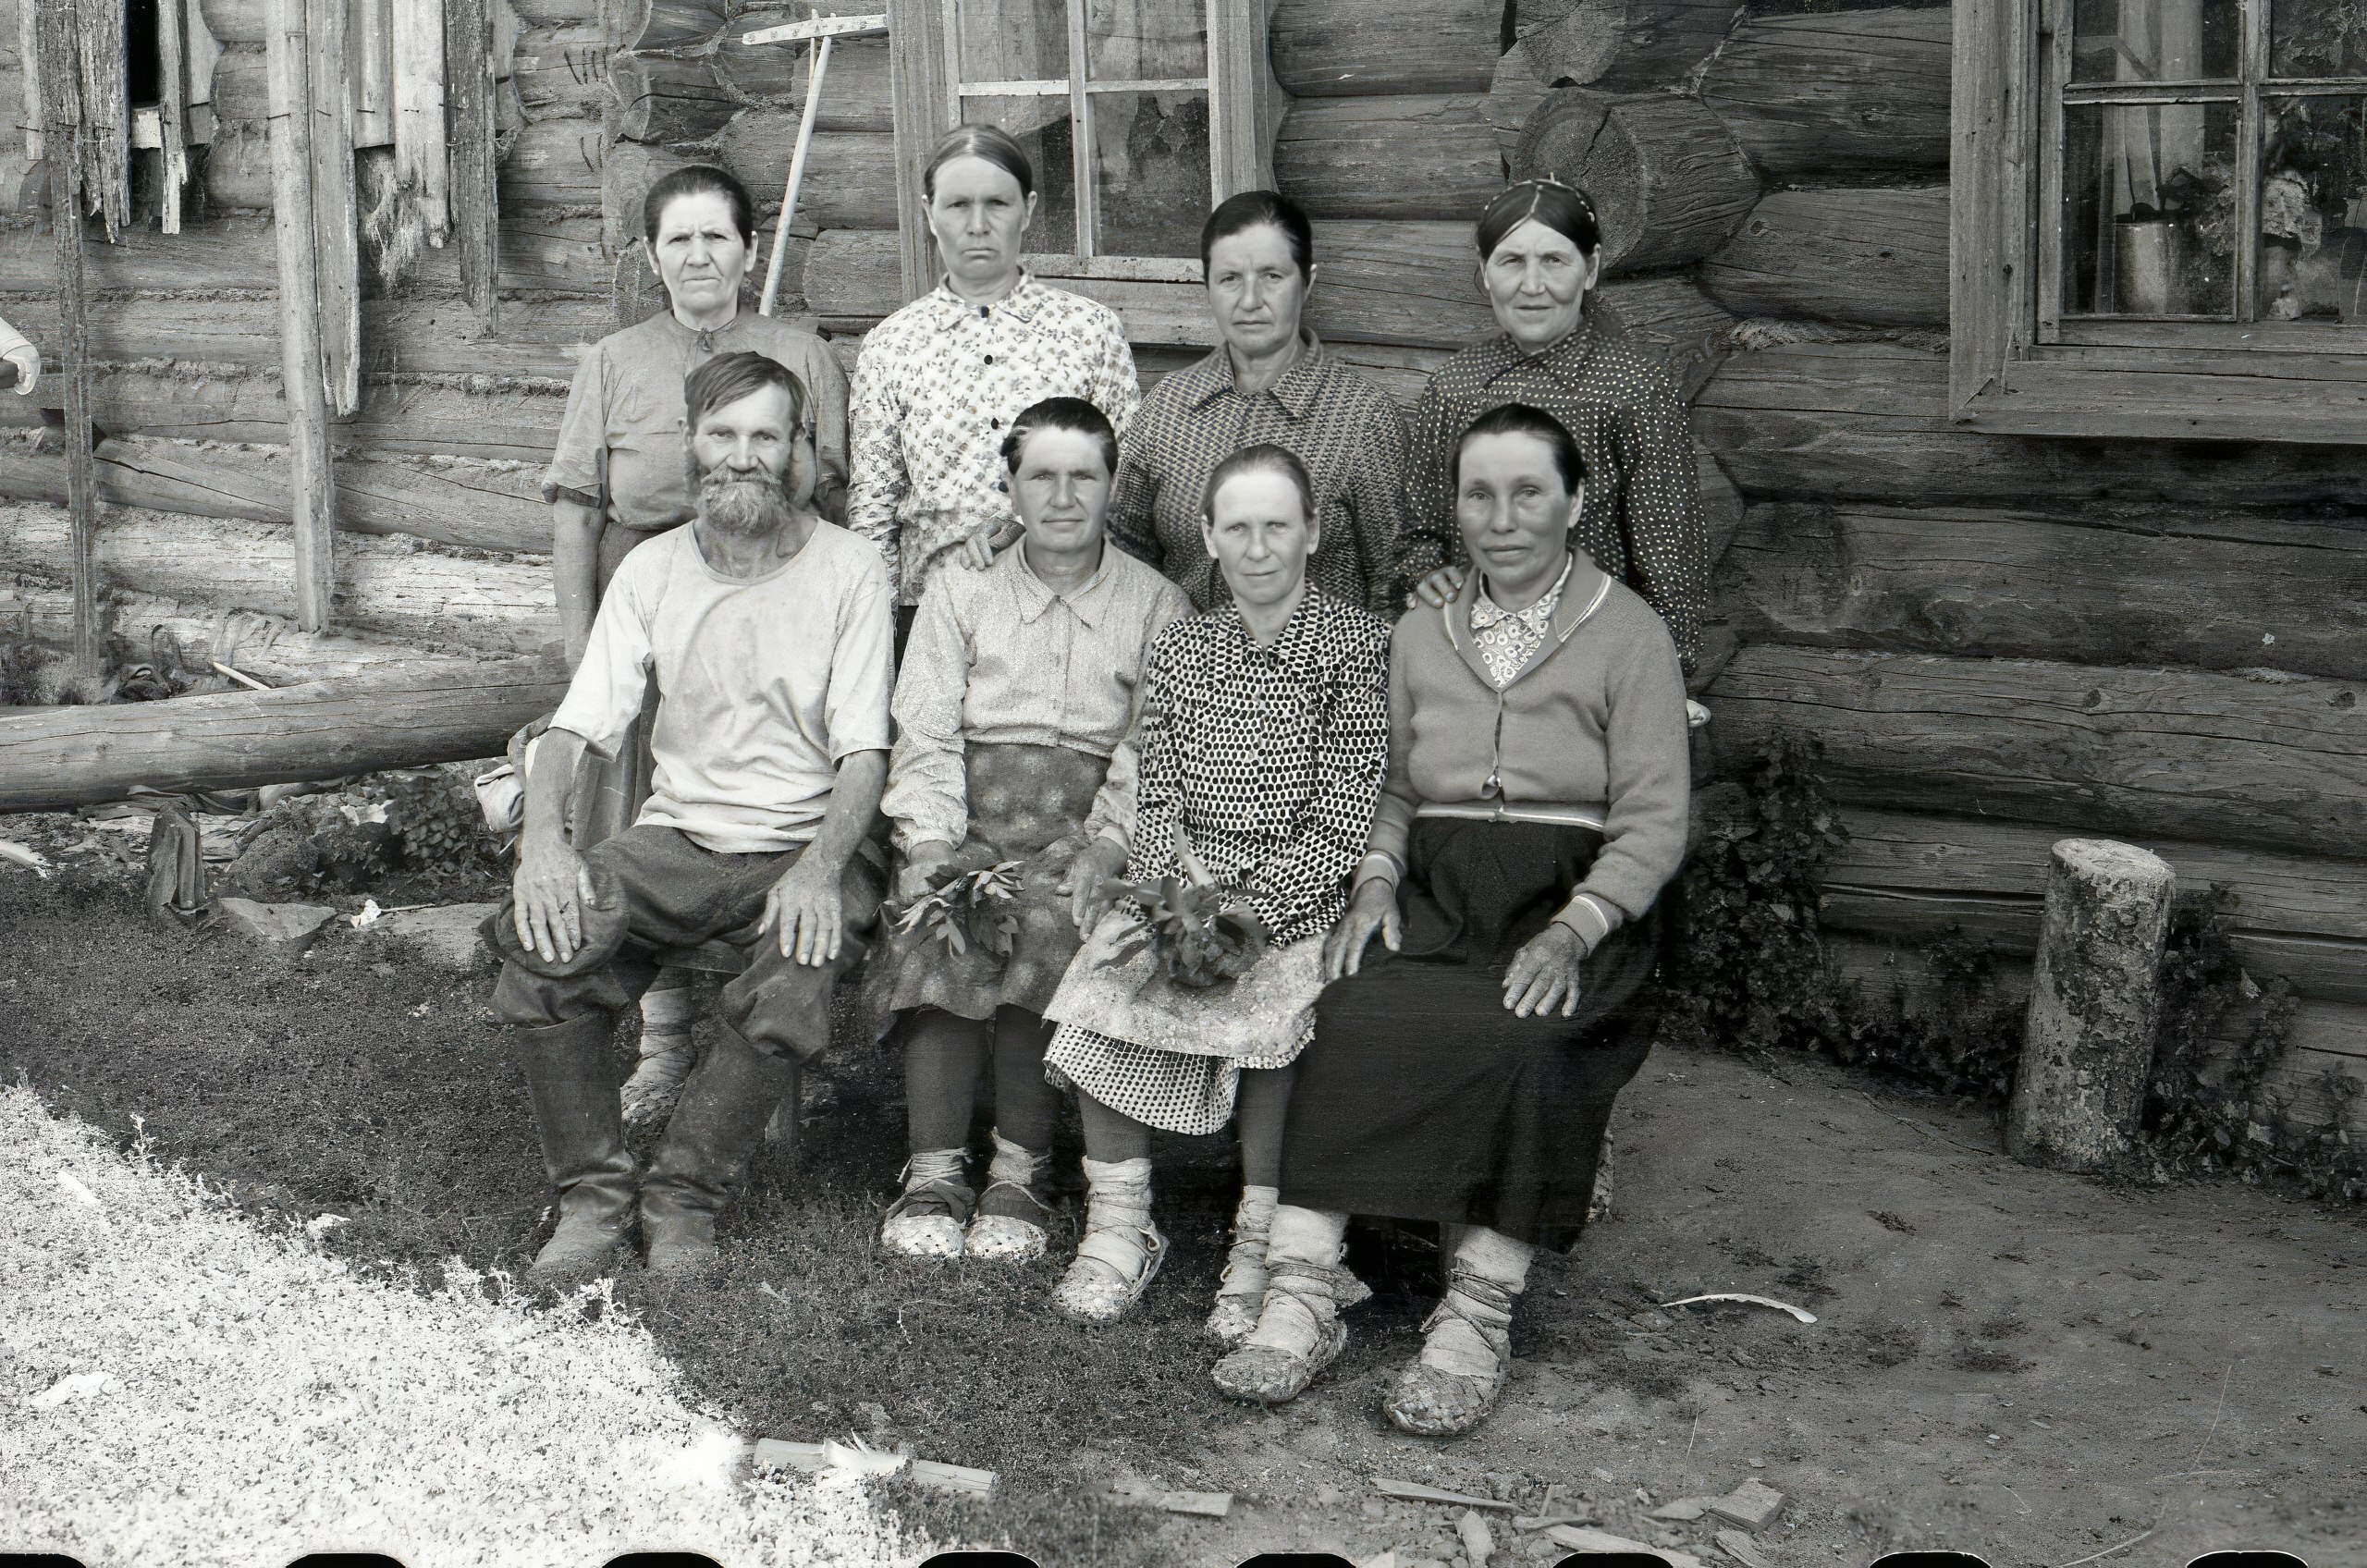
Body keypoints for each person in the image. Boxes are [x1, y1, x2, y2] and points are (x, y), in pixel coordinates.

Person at [1210, 405, 1690, 1437]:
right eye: (1480, 495)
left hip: (1574, 898)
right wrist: (1377, 881)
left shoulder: (1628, 632)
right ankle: (1302, 1294)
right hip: (1437, 889)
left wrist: (1575, 929)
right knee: (1349, 1014)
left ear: (1575, 502)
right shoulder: (1423, 630)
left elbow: (1655, 818)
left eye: (1528, 493)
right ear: (1457, 506)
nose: (1502, 518)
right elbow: (1395, 786)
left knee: (1528, 1037)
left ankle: (1475, 1316)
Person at [492, 351, 892, 1288]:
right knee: (545, 949)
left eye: (765, 435)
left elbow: (864, 753)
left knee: (796, 969)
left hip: (802, 840)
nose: (743, 455)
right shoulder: (651, 568)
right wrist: (543, 843)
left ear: (797, 449)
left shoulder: (851, 568)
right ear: (692, 443)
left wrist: (820, 868)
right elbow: (575, 727)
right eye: (723, 434)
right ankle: (592, 1199)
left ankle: (683, 1197)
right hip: (675, 841)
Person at [1039, 446, 1390, 1339]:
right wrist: (1172, 906)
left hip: (1296, 900)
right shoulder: (1184, 646)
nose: (1258, 547)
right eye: (1238, 528)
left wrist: (1248, 915)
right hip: (1183, 889)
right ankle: (1121, 1226)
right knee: (1103, 990)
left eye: (1277, 526)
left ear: (1312, 532)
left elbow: (1345, 814)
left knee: (1277, 1026)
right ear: (1207, 536)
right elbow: (1158, 795)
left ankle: (1261, 1246)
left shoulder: (1356, 646)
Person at [540, 165, 852, 1127]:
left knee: (754, 831)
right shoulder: (613, 360)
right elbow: (576, 513)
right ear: (652, 255)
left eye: (716, 236)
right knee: (651, 838)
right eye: (678, 238)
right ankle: (664, 1046)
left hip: (767, 625)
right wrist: (580, 649)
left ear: (749, 250)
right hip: (649, 626)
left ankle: (759, 1048)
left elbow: (831, 496)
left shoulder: (802, 354)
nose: (698, 255)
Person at [867, 398, 1192, 1262]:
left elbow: (1149, 749)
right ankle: (934, 1170)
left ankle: (1020, 1170)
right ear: (1009, 488)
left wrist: (1108, 844)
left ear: (1113, 486)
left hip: (1080, 832)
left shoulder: (1156, 604)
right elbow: (926, 729)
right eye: (1041, 476)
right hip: (972, 816)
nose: (1062, 495)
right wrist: (930, 843)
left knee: (1049, 924)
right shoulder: (962, 588)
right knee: (948, 916)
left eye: (1083, 475)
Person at [1398, 178, 1710, 677]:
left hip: (1594, 667)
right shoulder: (1454, 388)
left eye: (1554, 260)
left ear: (1590, 268)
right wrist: (1425, 573)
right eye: (1511, 261)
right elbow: (1421, 526)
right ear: (1485, 270)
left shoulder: (1632, 390)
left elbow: (1669, 557)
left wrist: (1661, 679)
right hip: (1469, 667)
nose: (1532, 284)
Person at [847, 125, 1141, 626]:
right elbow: (873, 510)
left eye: (997, 204)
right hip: (934, 618)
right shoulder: (891, 346)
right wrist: (884, 638)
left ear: (1026, 209)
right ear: (930, 214)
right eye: (958, 205)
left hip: (1069, 608)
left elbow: (1127, 483)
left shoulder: (1089, 331)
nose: (978, 225)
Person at [1108, 190, 1408, 616]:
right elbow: (1125, 557)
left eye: (1271, 276)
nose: (1249, 301)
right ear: (1208, 287)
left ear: (1307, 283)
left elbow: (1396, 586)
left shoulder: (1362, 418)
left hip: (1322, 658)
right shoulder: (1167, 410)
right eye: (1230, 278)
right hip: (1183, 655)